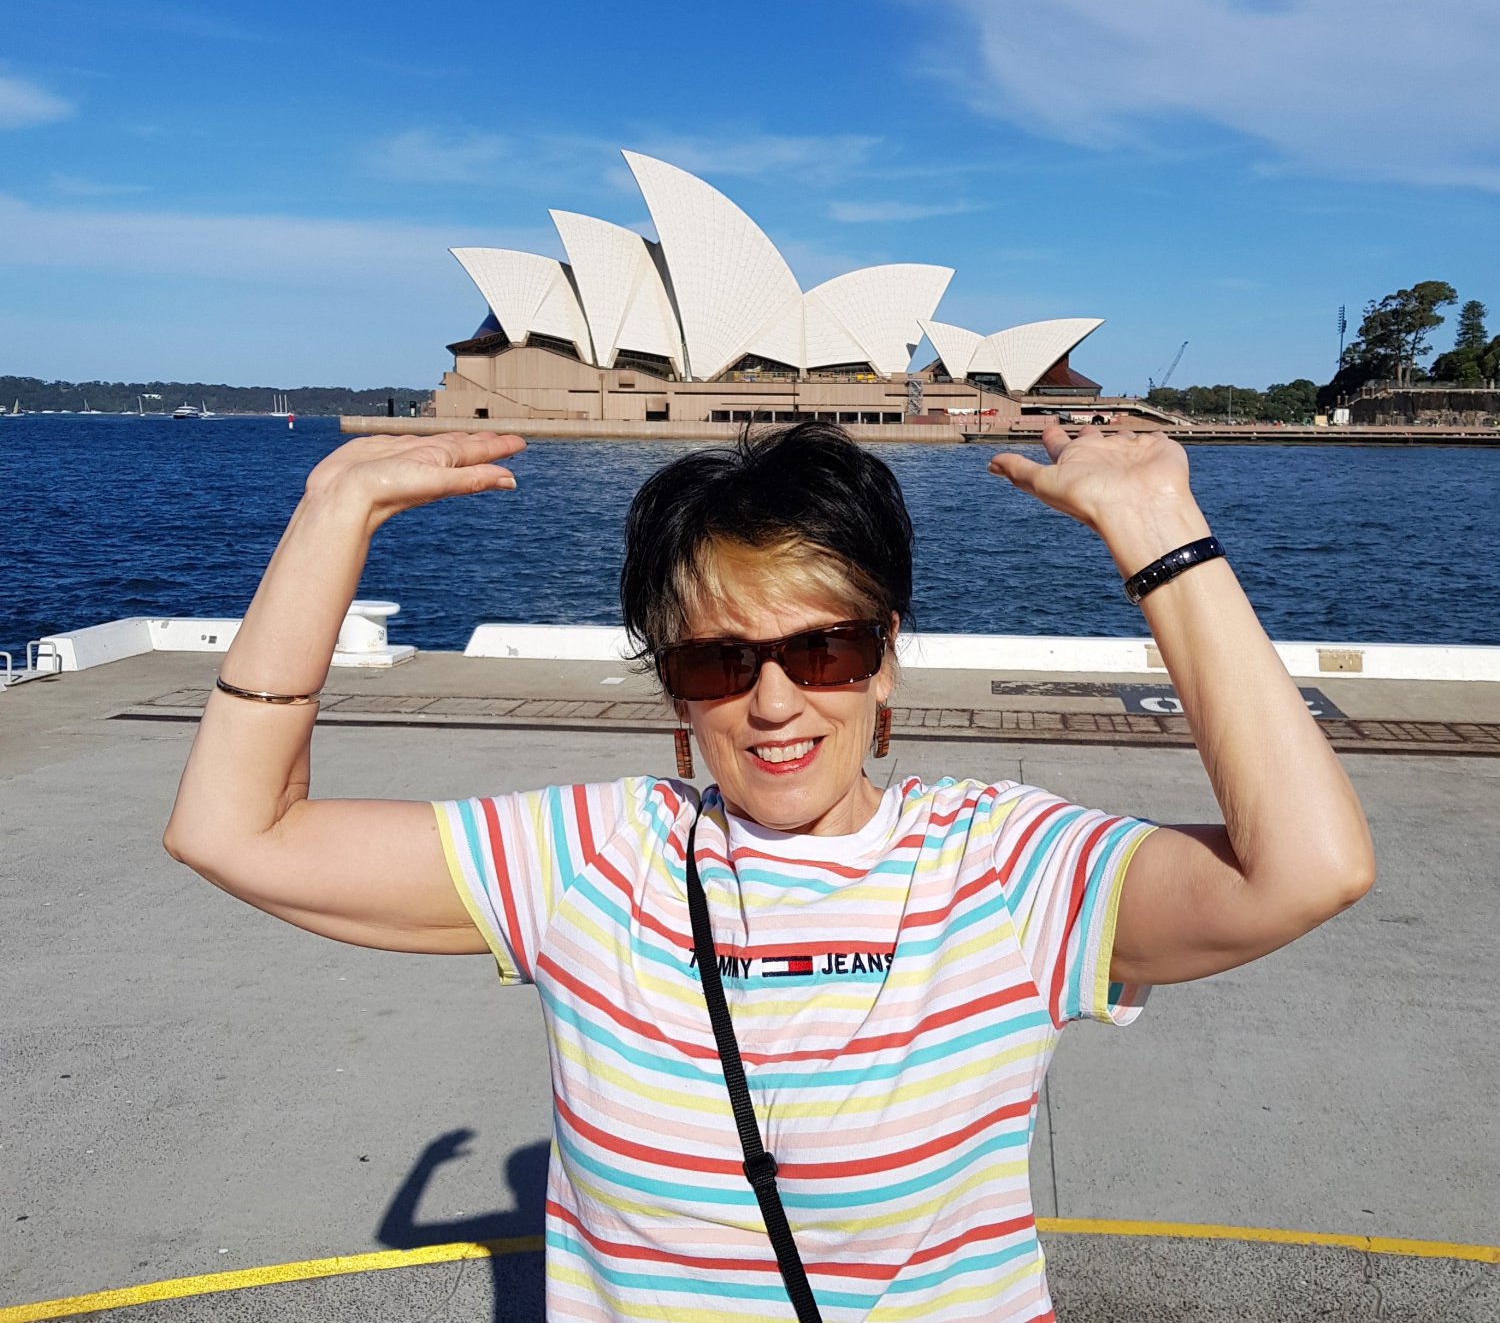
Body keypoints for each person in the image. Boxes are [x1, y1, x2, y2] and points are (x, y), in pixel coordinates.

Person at [165, 421, 1374, 1322]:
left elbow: (1305, 869)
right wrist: (329, 517)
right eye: (718, 662)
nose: (777, 701)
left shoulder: (1002, 869)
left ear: (888, 658)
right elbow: (239, 832)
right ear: (670, 686)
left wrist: (1161, 535)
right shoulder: (595, 858)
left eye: (825, 646)